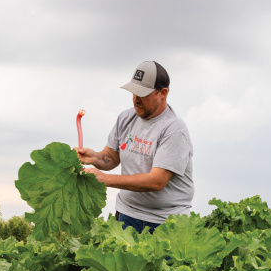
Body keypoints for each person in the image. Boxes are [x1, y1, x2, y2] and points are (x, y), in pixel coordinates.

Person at [77, 61, 194, 233]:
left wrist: (105, 179)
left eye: (143, 94)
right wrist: (94, 157)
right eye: (133, 92)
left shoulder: (174, 129)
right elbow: (112, 157)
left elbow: (157, 181)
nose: (136, 99)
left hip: (165, 222)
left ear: (163, 93)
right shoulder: (126, 118)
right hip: (127, 215)